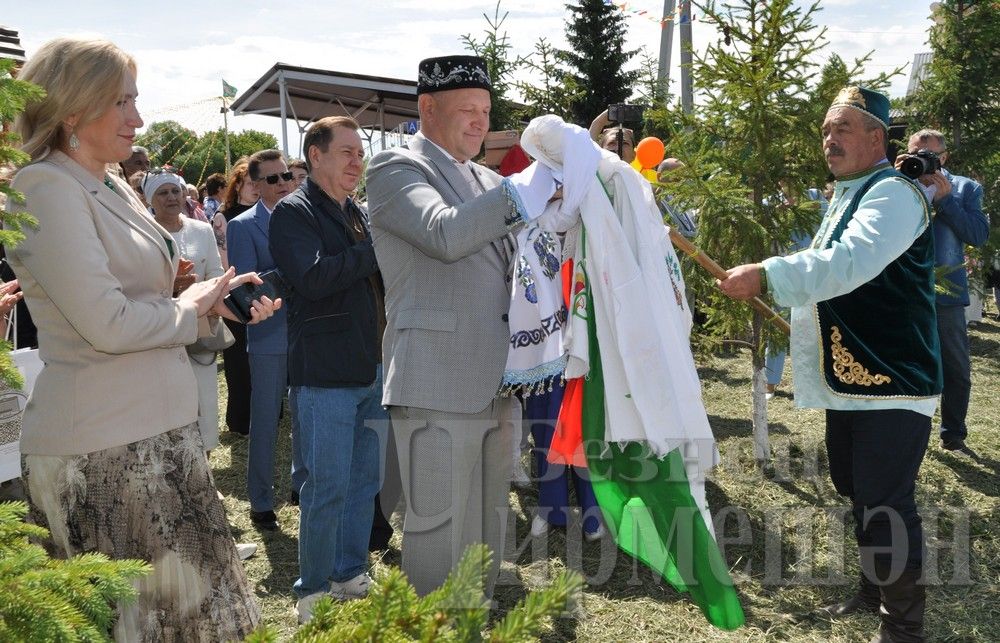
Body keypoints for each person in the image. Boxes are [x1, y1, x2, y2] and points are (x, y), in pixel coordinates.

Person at [9, 37, 280, 640]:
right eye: (122, 102)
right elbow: (105, 322)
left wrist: (213, 306)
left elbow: (141, 301)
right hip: (103, 450)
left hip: (152, 436)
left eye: (136, 99)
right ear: (74, 111)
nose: (138, 117)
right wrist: (187, 309)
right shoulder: (45, 187)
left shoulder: (105, 182)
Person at [718, 86, 941, 642]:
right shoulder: (850, 191)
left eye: (843, 128)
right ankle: (873, 591)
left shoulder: (892, 193)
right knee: (857, 487)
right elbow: (828, 278)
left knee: (886, 499)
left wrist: (768, 273)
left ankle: (904, 627)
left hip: (893, 377)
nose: (830, 139)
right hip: (855, 378)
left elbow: (848, 262)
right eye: (825, 130)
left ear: (876, 137)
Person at [366, 54, 556, 597]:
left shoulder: (485, 178)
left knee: (488, 527)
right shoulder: (397, 168)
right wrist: (527, 189)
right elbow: (444, 234)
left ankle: (475, 620)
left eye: (487, 110)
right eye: (468, 110)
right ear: (427, 109)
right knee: (438, 534)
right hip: (436, 381)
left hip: (496, 379)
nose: (480, 121)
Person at [270, 116, 387, 622]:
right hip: (323, 376)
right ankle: (313, 589)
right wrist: (374, 250)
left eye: (360, 153)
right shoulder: (293, 213)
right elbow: (314, 277)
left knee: (363, 482)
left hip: (367, 366)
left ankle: (348, 571)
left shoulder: (357, 212)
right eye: (346, 152)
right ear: (314, 156)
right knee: (326, 486)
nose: (356, 162)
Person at [895, 129, 988, 453]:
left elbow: (977, 234)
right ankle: (904, 432)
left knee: (956, 370)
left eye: (928, 156)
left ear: (944, 158)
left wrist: (946, 201)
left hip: (946, 296)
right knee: (904, 366)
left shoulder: (965, 188)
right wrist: (896, 182)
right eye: (914, 154)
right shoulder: (897, 184)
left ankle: (953, 432)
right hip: (903, 290)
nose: (922, 161)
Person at [226, 148, 305, 530]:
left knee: (306, 413)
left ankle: (300, 485)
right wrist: (298, 269)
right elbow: (247, 286)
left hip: (308, 333)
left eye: (286, 176)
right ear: (256, 185)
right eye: (272, 179)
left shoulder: (307, 216)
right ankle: (260, 500)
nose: (283, 184)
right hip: (269, 333)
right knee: (266, 420)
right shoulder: (242, 226)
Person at [144, 169, 225, 451]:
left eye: (175, 191)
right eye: (162, 193)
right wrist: (172, 284)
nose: (171, 197)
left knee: (204, 395)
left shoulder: (201, 230)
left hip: (199, 325)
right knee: (168, 401)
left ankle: (205, 456)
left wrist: (202, 289)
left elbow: (217, 272)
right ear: (149, 199)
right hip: (161, 327)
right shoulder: (143, 233)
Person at [215, 161, 258, 437]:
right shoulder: (225, 216)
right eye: (251, 183)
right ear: (238, 185)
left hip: (260, 292)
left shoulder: (267, 213)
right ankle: (240, 420)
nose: (256, 188)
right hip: (235, 294)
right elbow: (223, 260)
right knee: (239, 360)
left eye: (259, 182)